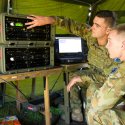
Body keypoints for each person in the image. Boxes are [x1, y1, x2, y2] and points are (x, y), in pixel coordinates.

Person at [25, 10, 117, 122]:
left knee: (91, 89)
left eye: (97, 25)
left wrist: (83, 78)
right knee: (72, 76)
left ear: (108, 30)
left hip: (108, 82)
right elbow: (72, 24)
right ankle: (76, 112)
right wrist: (49, 20)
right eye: (93, 23)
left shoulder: (117, 46)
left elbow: (112, 78)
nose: (92, 27)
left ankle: (93, 118)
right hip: (91, 72)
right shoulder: (91, 35)